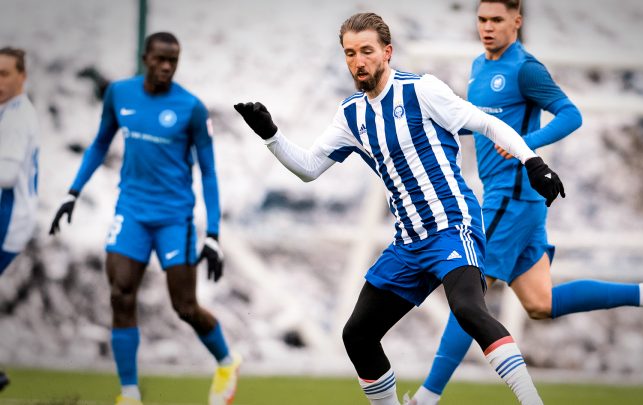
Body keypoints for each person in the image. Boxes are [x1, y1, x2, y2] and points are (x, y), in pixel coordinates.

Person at [234, 12, 568, 405]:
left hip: (451, 225)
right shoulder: (351, 115)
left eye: (367, 51)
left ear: (387, 52)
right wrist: (271, 135)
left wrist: (534, 162)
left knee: (468, 310)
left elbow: (488, 124)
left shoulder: (422, 90)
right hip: (408, 243)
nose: (358, 62)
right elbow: (309, 168)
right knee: (357, 335)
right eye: (350, 53)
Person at [407, 1, 643, 404]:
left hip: (513, 195)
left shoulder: (525, 68)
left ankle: (426, 398)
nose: (487, 28)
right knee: (541, 303)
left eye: (497, 20)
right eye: (482, 20)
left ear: (517, 21)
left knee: (467, 289)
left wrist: (526, 146)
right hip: (510, 199)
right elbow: (484, 122)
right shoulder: (478, 66)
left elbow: (570, 115)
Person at [49, 32, 239, 405]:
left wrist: (213, 234)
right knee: (120, 292)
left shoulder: (191, 108)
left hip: (174, 220)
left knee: (184, 307)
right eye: (160, 59)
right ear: (145, 58)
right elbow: (101, 143)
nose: (166, 67)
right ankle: (130, 394)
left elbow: (209, 173)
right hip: (131, 212)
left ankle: (227, 362)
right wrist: (73, 192)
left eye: (173, 60)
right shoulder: (119, 94)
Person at [0, 46, 40, 392]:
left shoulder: (16, 117)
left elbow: (7, 176)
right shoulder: (7, 111)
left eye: (4, 74)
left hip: (8, 219)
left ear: (22, 76)